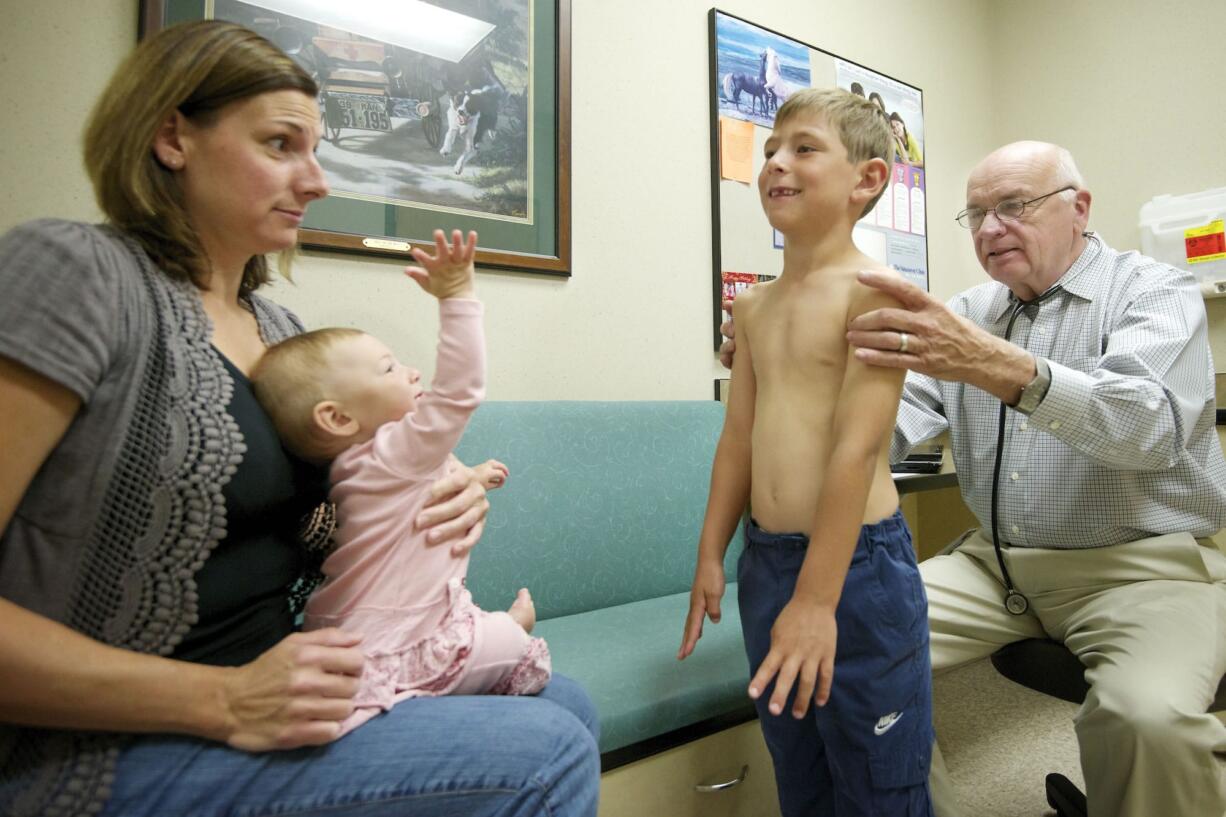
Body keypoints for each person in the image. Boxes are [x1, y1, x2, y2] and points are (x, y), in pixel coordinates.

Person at [0, 20, 599, 817]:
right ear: (172, 136)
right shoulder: (78, 275)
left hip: (292, 698)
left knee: (564, 704)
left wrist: (444, 490)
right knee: (544, 752)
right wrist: (224, 699)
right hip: (112, 744)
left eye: (316, 150)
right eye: (282, 144)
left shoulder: (281, 334)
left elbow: (327, 518)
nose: (316, 181)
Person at [723, 140, 1226, 817]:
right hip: (995, 565)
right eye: (977, 213)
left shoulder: (1152, 290)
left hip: (1142, 568)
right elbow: (880, 424)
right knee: (845, 649)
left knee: (1145, 720)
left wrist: (997, 364)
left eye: (1013, 206)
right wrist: (781, 364)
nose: (990, 229)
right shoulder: (967, 311)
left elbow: (1147, 428)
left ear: (1079, 208)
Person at [678, 87, 934, 817]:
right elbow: (738, 440)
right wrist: (709, 554)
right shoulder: (753, 307)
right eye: (768, 151)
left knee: (877, 771)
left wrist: (819, 601)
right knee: (799, 761)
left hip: (857, 569)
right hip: (769, 561)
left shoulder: (877, 294)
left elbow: (857, 449)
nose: (776, 163)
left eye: (803, 147)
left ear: (867, 179)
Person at [250, 228, 550, 736]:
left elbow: (412, 499)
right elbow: (460, 391)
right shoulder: (395, 451)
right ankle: (505, 633)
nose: (412, 372)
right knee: (515, 647)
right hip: (402, 641)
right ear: (339, 419)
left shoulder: (353, 467)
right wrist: (457, 297)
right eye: (389, 368)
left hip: (345, 629)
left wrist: (471, 475)